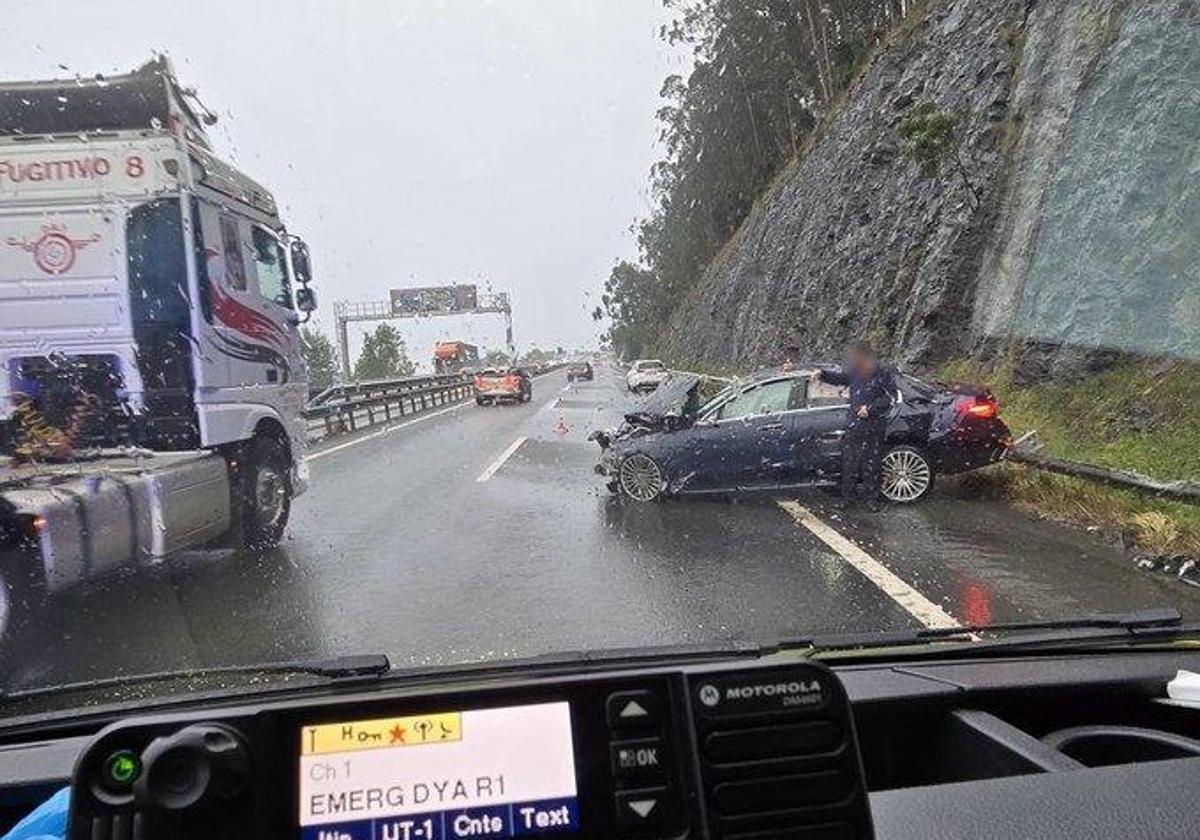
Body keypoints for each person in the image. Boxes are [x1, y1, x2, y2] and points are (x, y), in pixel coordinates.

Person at [816, 342, 897, 511]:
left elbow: (891, 397)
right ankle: (848, 499)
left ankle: (872, 500)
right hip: (854, 426)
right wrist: (822, 375)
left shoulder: (883, 373)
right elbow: (839, 379)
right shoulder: (855, 371)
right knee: (849, 464)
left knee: (872, 464)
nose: (853, 358)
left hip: (873, 426)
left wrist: (871, 409)